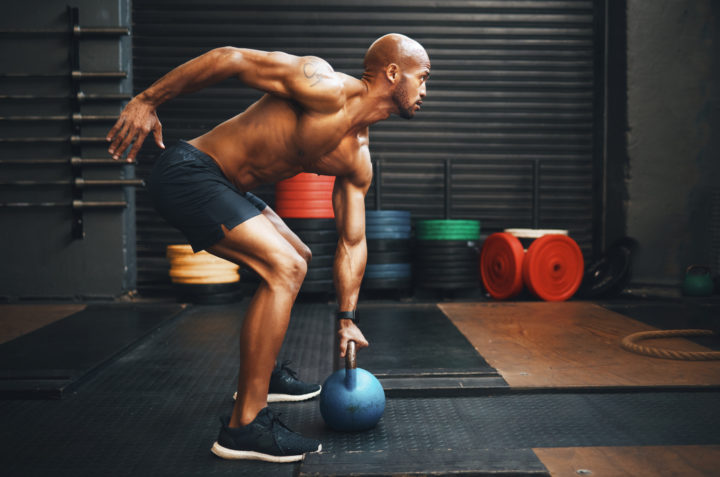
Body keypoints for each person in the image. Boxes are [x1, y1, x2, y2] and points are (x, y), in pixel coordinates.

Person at [106, 33, 430, 463]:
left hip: (227, 188)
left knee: (300, 255)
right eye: (423, 77)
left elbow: (352, 240)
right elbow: (230, 58)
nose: (426, 90)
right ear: (393, 73)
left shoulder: (356, 156)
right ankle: (243, 427)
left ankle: (263, 375)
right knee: (286, 268)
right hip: (189, 172)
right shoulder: (322, 85)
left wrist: (347, 318)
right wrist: (148, 100)